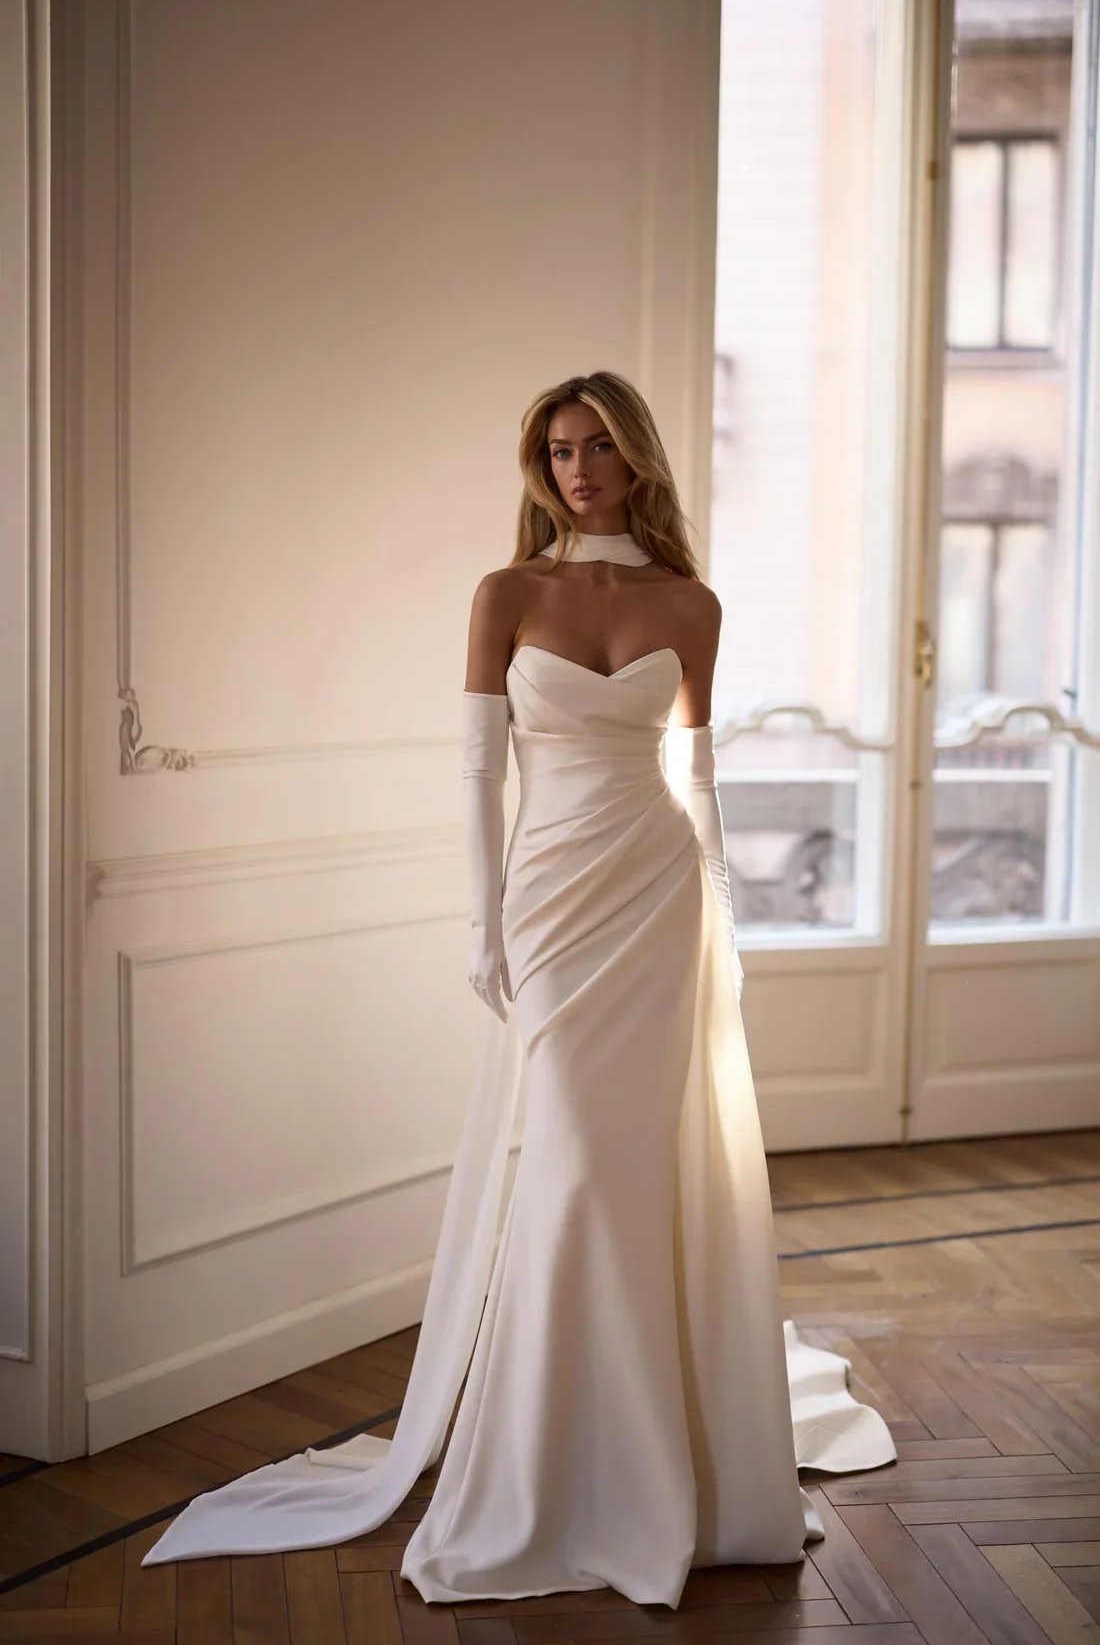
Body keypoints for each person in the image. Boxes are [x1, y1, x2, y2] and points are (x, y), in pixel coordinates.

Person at [141, 370, 895, 1602]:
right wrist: (482, 920)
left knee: (637, 1166)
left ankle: (644, 1458)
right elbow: (476, 775)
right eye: (556, 449)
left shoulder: (689, 603)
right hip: (547, 899)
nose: (577, 468)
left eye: (597, 446)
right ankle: (554, 1453)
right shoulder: (506, 592)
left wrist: (726, 912)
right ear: (536, 464)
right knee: (572, 1165)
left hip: (657, 897)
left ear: (636, 457)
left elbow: (698, 780)